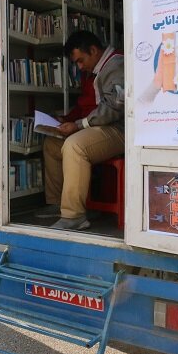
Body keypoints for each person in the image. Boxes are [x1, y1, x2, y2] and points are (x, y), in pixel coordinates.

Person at [43, 31, 124, 231]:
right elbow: (87, 107)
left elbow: (114, 107)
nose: (80, 67)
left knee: (75, 146)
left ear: (94, 50)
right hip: (100, 128)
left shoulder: (116, 65)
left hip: (119, 130)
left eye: (81, 60)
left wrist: (77, 125)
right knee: (52, 145)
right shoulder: (96, 71)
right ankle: (58, 203)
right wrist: (67, 121)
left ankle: (74, 216)